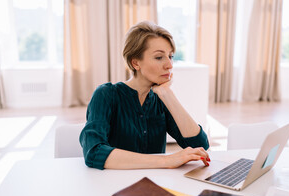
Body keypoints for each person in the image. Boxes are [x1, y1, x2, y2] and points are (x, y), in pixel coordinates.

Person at [79, 21, 210, 170]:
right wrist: (166, 161)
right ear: (135, 63)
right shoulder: (106, 95)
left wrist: (168, 94)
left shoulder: (161, 99)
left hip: (154, 185)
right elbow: (94, 152)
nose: (169, 65)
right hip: (113, 185)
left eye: (170, 56)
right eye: (159, 57)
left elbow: (199, 146)